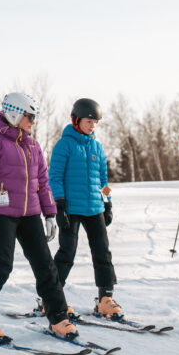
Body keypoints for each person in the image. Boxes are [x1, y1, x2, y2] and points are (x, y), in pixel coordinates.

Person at [0, 92, 77, 341]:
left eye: (34, 117)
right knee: (1, 265)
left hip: (31, 215)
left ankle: (58, 318)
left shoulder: (33, 146)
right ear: (14, 113)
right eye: (30, 116)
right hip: (2, 215)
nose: (33, 122)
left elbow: (43, 183)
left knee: (46, 267)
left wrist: (49, 214)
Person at [48, 98, 123, 320]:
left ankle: (105, 299)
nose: (92, 126)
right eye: (89, 121)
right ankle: (51, 298)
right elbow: (55, 177)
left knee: (102, 253)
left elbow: (103, 180)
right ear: (76, 120)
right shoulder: (64, 145)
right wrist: (59, 206)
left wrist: (108, 203)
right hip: (71, 208)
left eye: (95, 122)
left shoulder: (97, 147)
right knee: (67, 254)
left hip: (95, 208)